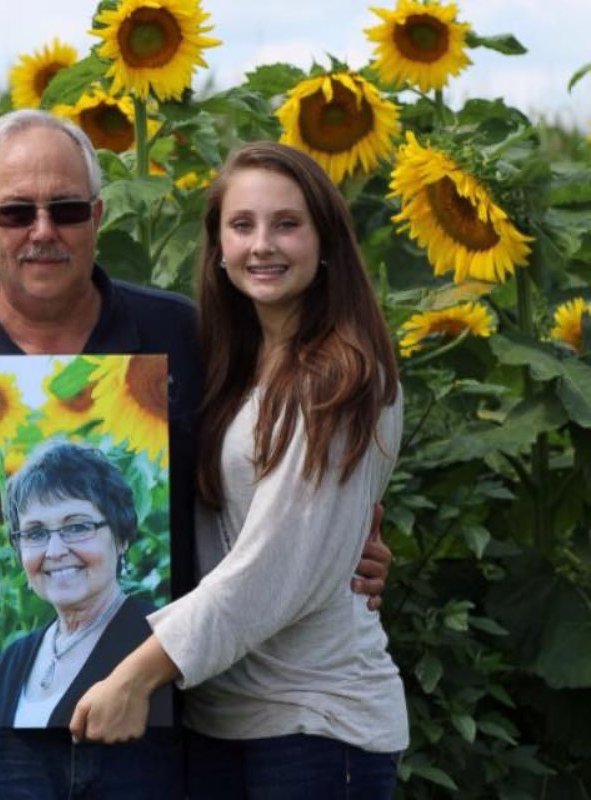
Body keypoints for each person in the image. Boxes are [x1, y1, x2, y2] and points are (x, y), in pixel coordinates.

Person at [0, 110, 392, 799]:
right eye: (17, 213)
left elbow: (269, 462)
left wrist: (348, 545)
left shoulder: (188, 335)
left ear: (98, 215)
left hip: (153, 728)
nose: (43, 231)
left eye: (67, 209)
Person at [70, 141, 407, 798]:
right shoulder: (243, 365)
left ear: (326, 239)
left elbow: (268, 570)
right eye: (242, 225)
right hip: (226, 720)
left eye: (287, 223)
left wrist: (133, 676)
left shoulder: (338, 380)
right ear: (218, 247)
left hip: (313, 722)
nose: (263, 245)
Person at [0, 441, 172, 729]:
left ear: (121, 537)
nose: (54, 550)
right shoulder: (9, 662)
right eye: (36, 532)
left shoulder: (161, 645)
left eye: (77, 527)